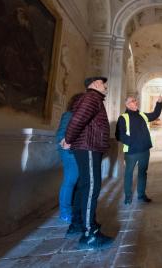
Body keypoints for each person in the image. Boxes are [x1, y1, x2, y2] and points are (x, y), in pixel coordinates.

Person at [63, 76, 112, 250]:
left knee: (85, 186)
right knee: (92, 187)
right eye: (103, 83)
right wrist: (68, 139)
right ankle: (89, 235)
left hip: (87, 146)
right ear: (95, 84)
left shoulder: (93, 98)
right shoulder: (92, 97)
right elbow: (78, 120)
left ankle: (78, 224)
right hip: (89, 146)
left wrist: (70, 139)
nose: (106, 86)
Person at [115, 95, 162, 205]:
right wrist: (132, 142)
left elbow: (155, 114)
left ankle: (141, 195)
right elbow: (119, 135)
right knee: (129, 174)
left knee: (143, 173)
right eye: (132, 101)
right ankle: (128, 197)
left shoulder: (142, 115)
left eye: (135, 100)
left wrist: (159, 103)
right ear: (127, 104)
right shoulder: (123, 117)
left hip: (144, 150)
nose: (136, 102)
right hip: (131, 152)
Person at [55, 93, 84, 223]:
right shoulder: (68, 115)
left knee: (76, 182)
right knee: (69, 181)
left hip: (78, 152)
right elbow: (61, 134)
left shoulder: (81, 116)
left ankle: (72, 207)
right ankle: (65, 212)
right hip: (69, 153)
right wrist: (66, 144)